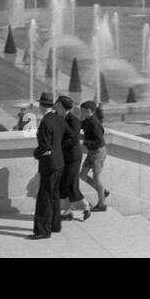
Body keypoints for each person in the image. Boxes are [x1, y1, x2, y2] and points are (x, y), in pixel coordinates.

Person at [29, 91, 65, 240]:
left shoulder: (45, 122)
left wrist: (36, 154)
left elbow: (44, 146)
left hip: (49, 165)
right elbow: (68, 135)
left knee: (44, 197)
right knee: (55, 195)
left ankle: (43, 230)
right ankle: (55, 225)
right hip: (59, 163)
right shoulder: (58, 118)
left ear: (40, 105)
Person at [57, 95, 90, 222]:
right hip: (63, 156)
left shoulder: (74, 121)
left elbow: (72, 140)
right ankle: (67, 212)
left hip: (73, 157)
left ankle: (86, 206)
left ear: (65, 108)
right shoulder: (57, 117)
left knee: (71, 184)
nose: (56, 107)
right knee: (62, 184)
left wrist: (56, 145)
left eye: (59, 106)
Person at [80, 99, 109, 211]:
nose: (80, 113)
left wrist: (84, 143)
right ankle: (103, 191)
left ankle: (102, 205)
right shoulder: (87, 120)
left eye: (82, 111)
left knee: (97, 180)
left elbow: (98, 141)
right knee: (82, 175)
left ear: (88, 111)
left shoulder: (95, 123)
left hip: (98, 152)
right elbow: (79, 126)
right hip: (91, 152)